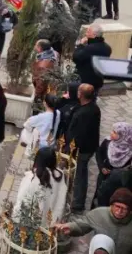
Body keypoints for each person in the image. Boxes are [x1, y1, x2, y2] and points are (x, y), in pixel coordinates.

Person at [55, 188, 132, 249]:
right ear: (111, 205)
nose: (119, 211)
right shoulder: (99, 214)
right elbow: (83, 224)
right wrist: (71, 227)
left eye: (124, 208)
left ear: (129, 210)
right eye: (117, 206)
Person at [67, 83, 103, 213]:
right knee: (81, 173)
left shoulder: (84, 113)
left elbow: (80, 135)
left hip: (81, 150)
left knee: (80, 175)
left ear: (81, 94)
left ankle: (77, 204)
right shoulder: (94, 108)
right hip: (88, 147)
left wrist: (72, 149)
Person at [12, 147, 67, 228]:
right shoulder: (60, 175)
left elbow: (21, 200)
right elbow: (61, 200)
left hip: (32, 224)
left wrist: (15, 218)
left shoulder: (31, 178)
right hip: (53, 224)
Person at [94, 123, 132, 208]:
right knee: (99, 198)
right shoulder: (107, 142)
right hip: (104, 177)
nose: (111, 133)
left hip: (119, 183)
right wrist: (102, 167)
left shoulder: (129, 150)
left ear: (123, 135)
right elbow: (99, 154)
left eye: (115, 132)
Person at [73, 25, 112, 92]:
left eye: (88, 32)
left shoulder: (90, 48)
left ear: (94, 35)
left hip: (85, 81)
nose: (86, 34)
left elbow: (76, 57)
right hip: (98, 80)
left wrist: (80, 45)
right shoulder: (107, 48)